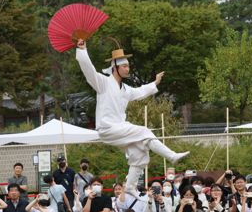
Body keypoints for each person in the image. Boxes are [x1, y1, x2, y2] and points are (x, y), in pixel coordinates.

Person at [75, 39, 188, 200]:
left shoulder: (126, 89)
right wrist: (82, 50)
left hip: (120, 128)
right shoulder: (103, 83)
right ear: (115, 68)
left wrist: (155, 82)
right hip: (107, 128)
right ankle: (171, 155)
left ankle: (130, 187)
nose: (128, 69)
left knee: (141, 153)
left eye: (128, 66)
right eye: (125, 66)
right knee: (144, 131)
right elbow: (89, 70)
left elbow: (140, 92)